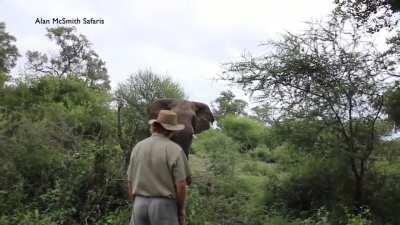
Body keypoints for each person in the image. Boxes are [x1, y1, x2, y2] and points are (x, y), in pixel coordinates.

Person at [127, 110, 191, 225]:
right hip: (164, 207)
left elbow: (130, 181)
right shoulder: (175, 150)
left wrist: (135, 202)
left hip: (139, 204)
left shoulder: (138, 147)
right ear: (171, 130)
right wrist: (181, 210)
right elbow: (181, 185)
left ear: (154, 126)